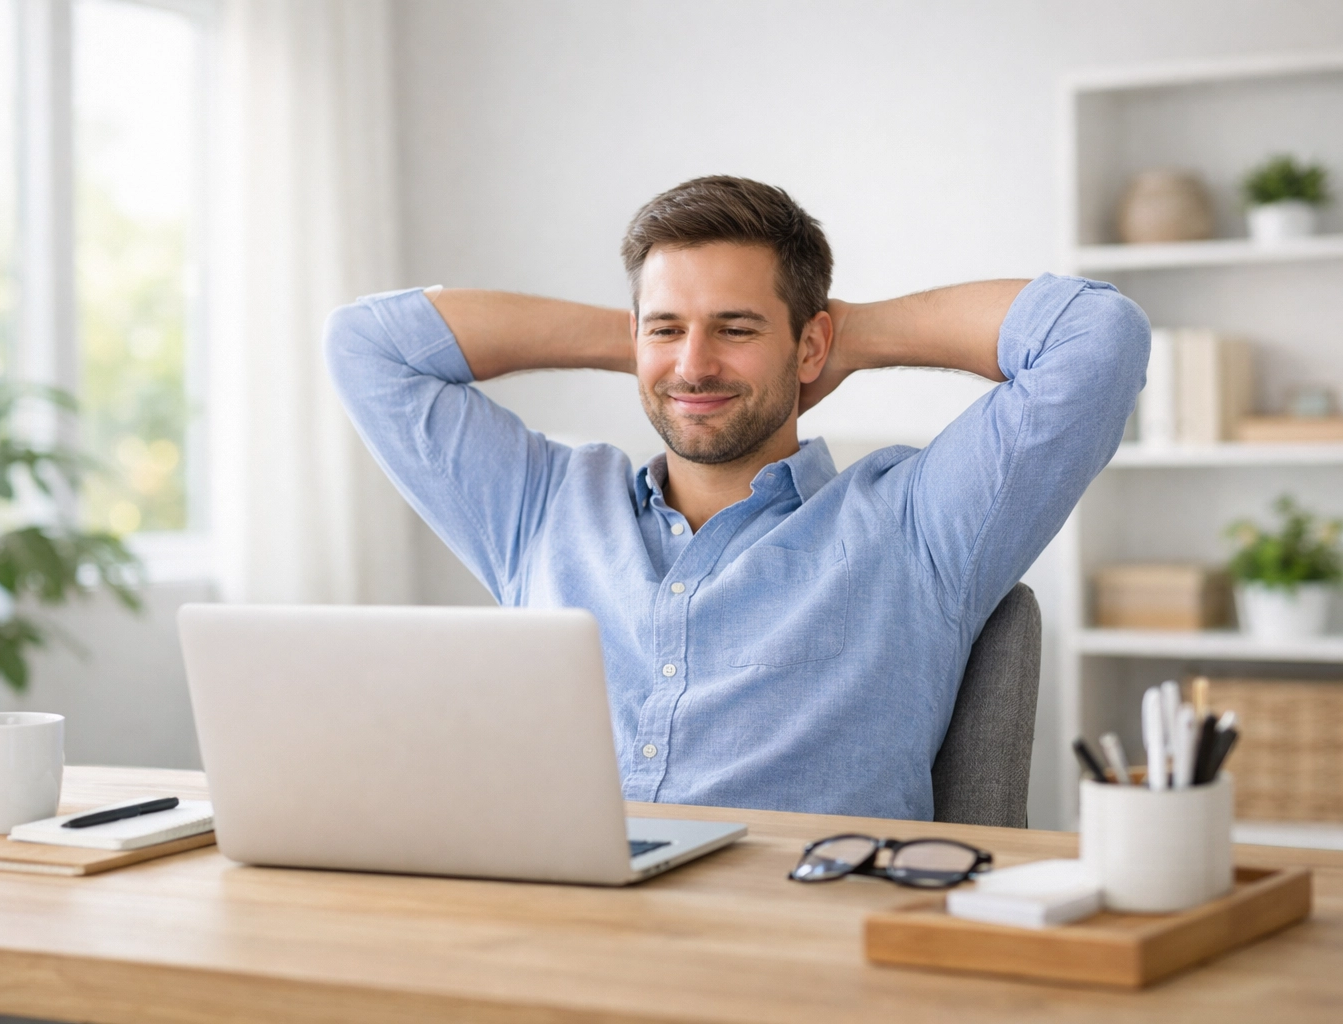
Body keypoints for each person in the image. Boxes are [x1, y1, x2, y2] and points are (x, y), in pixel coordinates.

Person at [325, 175, 1149, 819]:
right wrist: (648, 343)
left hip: (789, 950)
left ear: (809, 343)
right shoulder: (540, 507)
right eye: (667, 328)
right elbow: (366, 346)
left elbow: (1096, 338)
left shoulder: (915, 524)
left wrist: (841, 337)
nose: (695, 364)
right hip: (559, 932)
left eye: (738, 327)